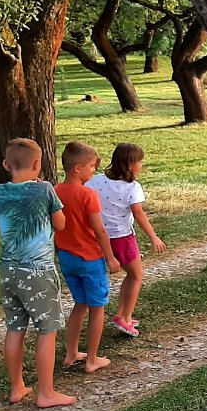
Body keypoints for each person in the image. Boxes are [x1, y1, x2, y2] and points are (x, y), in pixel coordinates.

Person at [0, 137, 76, 408]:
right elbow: (61, 224)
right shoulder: (44, 190)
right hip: (37, 271)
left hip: (8, 269)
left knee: (15, 327)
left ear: (5, 164)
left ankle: (17, 387)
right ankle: (46, 392)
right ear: (38, 164)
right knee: (47, 329)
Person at [55, 141, 122, 373]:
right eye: (92, 166)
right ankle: (92, 359)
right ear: (78, 168)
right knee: (97, 307)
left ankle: (71, 352)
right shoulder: (87, 194)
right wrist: (111, 258)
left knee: (80, 303)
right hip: (90, 259)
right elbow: (99, 230)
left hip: (66, 257)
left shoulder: (55, 191)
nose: (94, 170)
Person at [88, 143, 165, 337]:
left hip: (100, 237)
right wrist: (153, 236)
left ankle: (121, 314)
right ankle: (126, 318)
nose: (141, 166)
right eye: (140, 162)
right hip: (122, 238)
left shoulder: (96, 181)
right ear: (131, 165)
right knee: (136, 276)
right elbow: (138, 213)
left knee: (130, 275)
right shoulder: (132, 187)